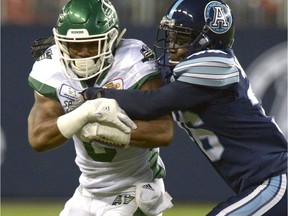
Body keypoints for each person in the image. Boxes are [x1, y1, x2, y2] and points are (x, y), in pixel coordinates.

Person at [81, 0, 288, 215]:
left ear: (207, 40)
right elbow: (145, 70)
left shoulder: (216, 64)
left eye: (181, 38)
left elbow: (151, 103)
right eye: (171, 36)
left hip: (276, 179)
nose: (171, 45)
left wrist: (97, 94)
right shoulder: (186, 65)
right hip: (260, 183)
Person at [27, 0, 174, 215]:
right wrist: (83, 114)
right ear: (61, 43)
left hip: (135, 188)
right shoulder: (52, 67)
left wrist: (105, 131)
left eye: (92, 44)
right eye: (75, 45)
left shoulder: (134, 63)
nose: (84, 53)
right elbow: (38, 138)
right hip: (87, 191)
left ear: (112, 40)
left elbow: (163, 131)